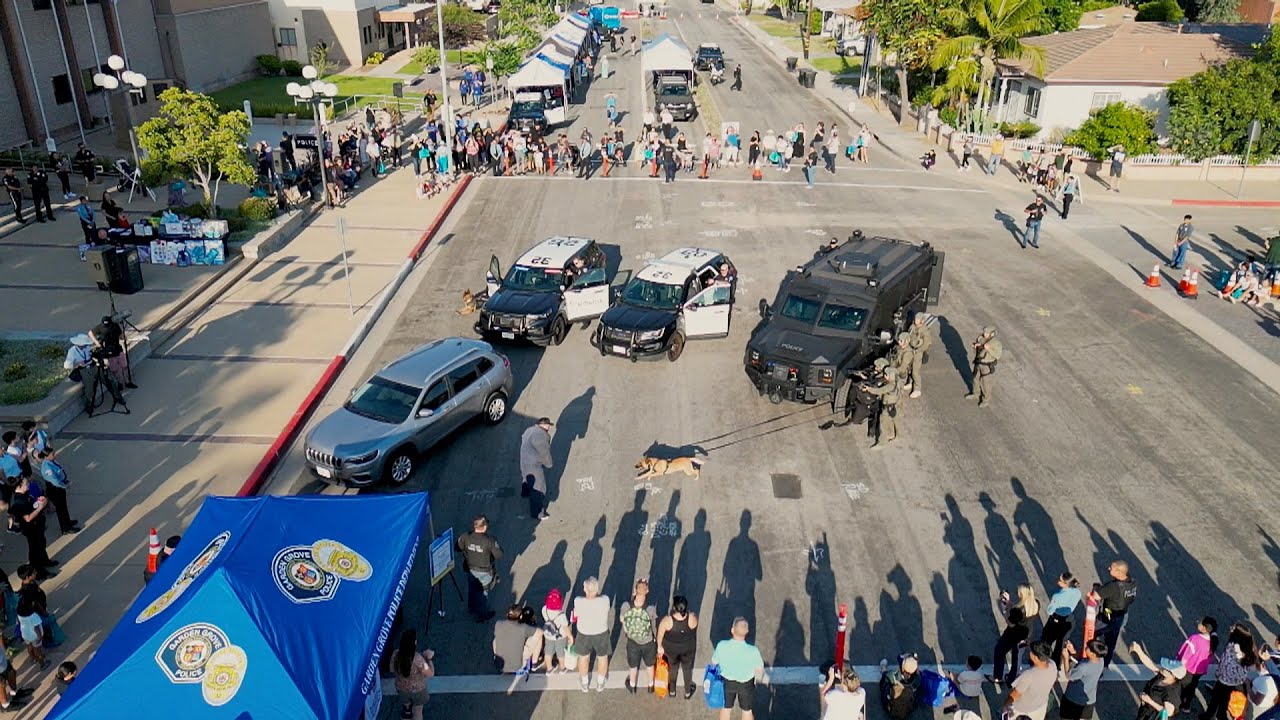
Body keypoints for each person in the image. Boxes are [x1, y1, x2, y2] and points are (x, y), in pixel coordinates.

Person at [1199, 623, 1257, 720]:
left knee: (1215, 698)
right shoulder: (1248, 649)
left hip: (1224, 678)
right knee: (1225, 697)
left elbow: (1224, 662)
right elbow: (1251, 667)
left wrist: (1218, 673)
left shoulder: (1232, 646)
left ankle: (1209, 715)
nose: (1230, 629)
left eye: (1232, 629)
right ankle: (1221, 714)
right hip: (1235, 680)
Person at [711, 618, 764, 720]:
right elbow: (759, 670)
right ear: (747, 632)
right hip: (746, 684)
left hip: (726, 682)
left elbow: (714, 663)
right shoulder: (753, 651)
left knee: (726, 709)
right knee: (747, 711)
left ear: (732, 630)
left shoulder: (722, 645)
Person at [990, 583, 1039, 686]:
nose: (1017, 592)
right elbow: (1019, 609)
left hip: (1012, 635)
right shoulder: (1035, 604)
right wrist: (1009, 604)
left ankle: (998, 677)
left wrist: (1004, 610)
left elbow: (1011, 623)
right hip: (1025, 636)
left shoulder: (1018, 610)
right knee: (1017, 660)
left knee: (999, 651)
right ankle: (1011, 680)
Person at [5, 479, 55, 578]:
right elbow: (27, 518)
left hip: (38, 525)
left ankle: (45, 561)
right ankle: (40, 572)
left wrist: (38, 501)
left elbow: (31, 504)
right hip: (31, 529)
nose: (28, 484)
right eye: (26, 484)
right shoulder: (18, 502)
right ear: (19, 486)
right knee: (35, 550)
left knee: (41, 544)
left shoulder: (25, 494)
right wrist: (40, 507)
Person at [457, 515, 502, 622]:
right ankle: (482, 614)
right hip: (484, 571)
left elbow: (457, 547)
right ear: (485, 527)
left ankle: (472, 608)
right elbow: (499, 554)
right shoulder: (489, 541)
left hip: (470, 569)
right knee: (483, 593)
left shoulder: (465, 537)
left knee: (472, 588)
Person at [1094, 559, 1137, 667]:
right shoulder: (1132, 582)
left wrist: (1097, 588)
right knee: (1111, 642)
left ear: (1119, 572)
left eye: (1111, 568)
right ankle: (1105, 664)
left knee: (1093, 633)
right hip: (1122, 615)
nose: (1108, 569)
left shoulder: (1113, 586)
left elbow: (1096, 596)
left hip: (1109, 614)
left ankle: (1091, 655)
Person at [573, 577, 612, 692]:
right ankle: (600, 682)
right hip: (601, 633)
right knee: (602, 657)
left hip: (584, 633)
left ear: (585, 589)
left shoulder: (578, 601)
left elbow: (576, 614)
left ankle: (584, 683)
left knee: (583, 658)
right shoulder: (605, 600)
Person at [620, 579, 658, 694]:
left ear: (634, 591)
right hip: (648, 642)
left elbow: (622, 620)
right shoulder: (650, 609)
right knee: (650, 665)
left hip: (632, 641)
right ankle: (650, 686)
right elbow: (653, 625)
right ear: (647, 591)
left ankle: (632, 686)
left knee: (633, 666)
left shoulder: (626, 605)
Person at [657, 595, 699, 699]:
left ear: (674, 608)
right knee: (687, 669)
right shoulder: (692, 618)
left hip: (671, 650)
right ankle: (688, 692)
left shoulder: (667, 621)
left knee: (672, 669)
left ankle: (672, 691)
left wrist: (659, 646)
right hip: (688, 649)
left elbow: (660, 635)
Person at [1130, 642, 1186, 720]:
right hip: (1145, 710)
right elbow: (1151, 665)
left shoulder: (1172, 694)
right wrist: (1139, 651)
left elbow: (1168, 713)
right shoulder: (1164, 675)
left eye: (1166, 668)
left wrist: (1149, 700)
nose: (1163, 668)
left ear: (1173, 675)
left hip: (1151, 716)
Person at [1002, 641, 1057, 720]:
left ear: (1035, 657)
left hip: (1022, 710)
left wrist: (1005, 706)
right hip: (1040, 707)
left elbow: (1015, 695)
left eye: (1031, 652)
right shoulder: (1053, 665)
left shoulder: (1028, 675)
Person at [1176, 616, 1218, 714]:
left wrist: (1178, 666)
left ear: (1204, 628)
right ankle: (1187, 706)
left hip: (1188, 669)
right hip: (1199, 670)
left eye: (1200, 622)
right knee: (1192, 686)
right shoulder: (1212, 642)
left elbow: (1185, 656)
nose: (1198, 622)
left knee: (1182, 687)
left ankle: (1178, 704)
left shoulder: (1195, 638)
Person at [1059, 639, 1106, 720]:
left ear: (1093, 654)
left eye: (1088, 648)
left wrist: (1065, 658)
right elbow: (1082, 660)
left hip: (1073, 698)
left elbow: (1069, 675)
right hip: (1089, 700)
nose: (1086, 647)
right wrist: (1073, 651)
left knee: (1066, 717)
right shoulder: (1101, 660)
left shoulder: (1084, 667)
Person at [393, 629, 435, 720]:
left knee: (406, 705)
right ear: (414, 643)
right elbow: (430, 673)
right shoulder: (419, 660)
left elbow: (391, 668)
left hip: (401, 688)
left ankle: (407, 711)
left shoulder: (396, 654)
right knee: (418, 710)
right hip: (418, 690)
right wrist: (428, 659)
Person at [520, 417, 554, 520]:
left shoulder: (529, 430)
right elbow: (544, 452)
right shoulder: (540, 435)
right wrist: (549, 464)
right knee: (538, 488)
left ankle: (525, 492)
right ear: (545, 425)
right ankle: (538, 513)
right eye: (549, 426)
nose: (549, 428)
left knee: (526, 478)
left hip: (524, 460)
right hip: (533, 464)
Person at [494, 604, 542, 674]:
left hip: (500, 665)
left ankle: (498, 656)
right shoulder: (523, 628)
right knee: (538, 636)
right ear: (521, 616)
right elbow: (539, 632)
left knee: (496, 639)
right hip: (517, 666)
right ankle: (534, 663)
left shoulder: (498, 624)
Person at [37, 450, 77, 534]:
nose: (55, 455)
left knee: (64, 506)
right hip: (55, 489)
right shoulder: (47, 467)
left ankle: (67, 521)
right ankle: (65, 528)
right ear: (46, 456)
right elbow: (54, 481)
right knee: (60, 509)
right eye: (52, 454)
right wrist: (65, 486)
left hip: (59, 488)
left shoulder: (52, 461)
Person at [91, 314, 135, 389]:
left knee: (124, 366)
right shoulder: (100, 327)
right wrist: (96, 342)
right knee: (115, 369)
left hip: (118, 349)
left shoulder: (115, 326)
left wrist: (124, 337)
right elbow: (90, 333)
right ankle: (120, 383)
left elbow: (121, 336)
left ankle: (127, 381)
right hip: (108, 351)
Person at [862, 366, 901, 448]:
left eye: (886, 375)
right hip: (894, 405)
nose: (885, 376)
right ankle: (896, 435)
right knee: (895, 420)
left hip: (887, 407)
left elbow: (880, 391)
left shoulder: (889, 386)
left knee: (882, 423)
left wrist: (868, 389)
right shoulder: (898, 381)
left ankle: (882, 442)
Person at [965, 326, 1002, 406]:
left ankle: (986, 400)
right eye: (984, 332)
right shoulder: (981, 339)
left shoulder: (996, 343)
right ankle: (975, 394)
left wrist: (989, 349)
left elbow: (997, 355)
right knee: (975, 379)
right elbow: (979, 350)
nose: (984, 334)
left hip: (987, 365)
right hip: (978, 363)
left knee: (985, 383)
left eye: (987, 333)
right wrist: (976, 346)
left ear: (992, 334)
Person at [540, 589, 573, 673]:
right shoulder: (561, 615)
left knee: (548, 652)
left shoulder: (544, 609)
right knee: (560, 653)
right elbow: (565, 628)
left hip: (549, 635)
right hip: (560, 637)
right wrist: (570, 637)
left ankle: (549, 668)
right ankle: (562, 668)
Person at [880, 653, 921, 720]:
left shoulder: (893, 676)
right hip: (907, 710)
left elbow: (882, 685)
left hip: (891, 709)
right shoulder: (918, 680)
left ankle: (883, 669)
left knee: (885, 681)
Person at [906, 313, 932, 398]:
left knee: (915, 371)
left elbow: (926, 343)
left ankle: (917, 389)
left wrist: (919, 350)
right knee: (909, 367)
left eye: (917, 319)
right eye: (915, 318)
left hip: (918, 352)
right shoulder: (913, 327)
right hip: (910, 349)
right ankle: (910, 382)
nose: (915, 320)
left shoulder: (925, 331)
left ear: (922, 321)